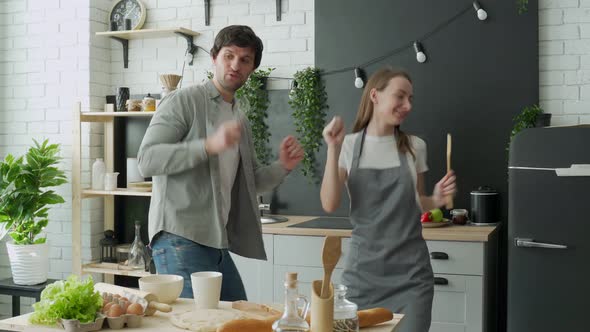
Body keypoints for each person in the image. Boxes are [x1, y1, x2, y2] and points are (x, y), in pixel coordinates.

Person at [137, 25, 304, 300]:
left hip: (216, 243)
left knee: (240, 316)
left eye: (245, 60)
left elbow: (251, 182)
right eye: (229, 55)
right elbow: (147, 160)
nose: (235, 64)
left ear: (252, 69)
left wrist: (282, 166)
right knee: (201, 324)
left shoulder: (239, 118)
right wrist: (207, 145)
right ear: (214, 57)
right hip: (179, 238)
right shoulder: (184, 101)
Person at [320, 67, 456, 332]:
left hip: (411, 278)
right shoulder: (347, 145)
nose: (407, 105)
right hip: (362, 277)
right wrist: (332, 149)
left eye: (411, 99)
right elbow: (329, 203)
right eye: (400, 96)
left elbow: (418, 201)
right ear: (375, 95)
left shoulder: (414, 146)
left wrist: (436, 198)